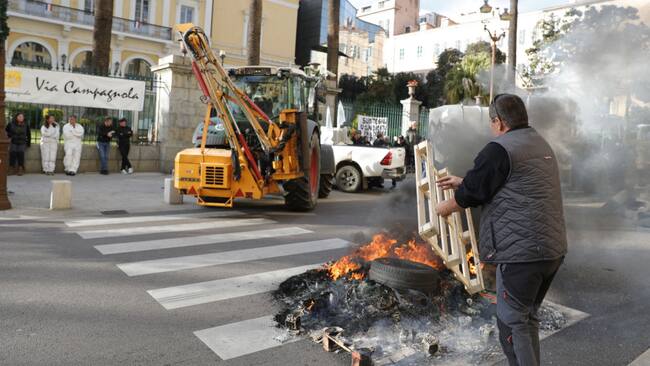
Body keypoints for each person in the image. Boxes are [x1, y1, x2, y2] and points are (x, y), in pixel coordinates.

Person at [435, 94, 567, 366]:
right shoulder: (539, 143)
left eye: (491, 122)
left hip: (522, 255)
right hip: (551, 251)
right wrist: (464, 181)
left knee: (511, 323)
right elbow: (511, 182)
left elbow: (473, 194)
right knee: (526, 317)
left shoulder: (500, 148)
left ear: (499, 122)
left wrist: (445, 207)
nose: (490, 127)